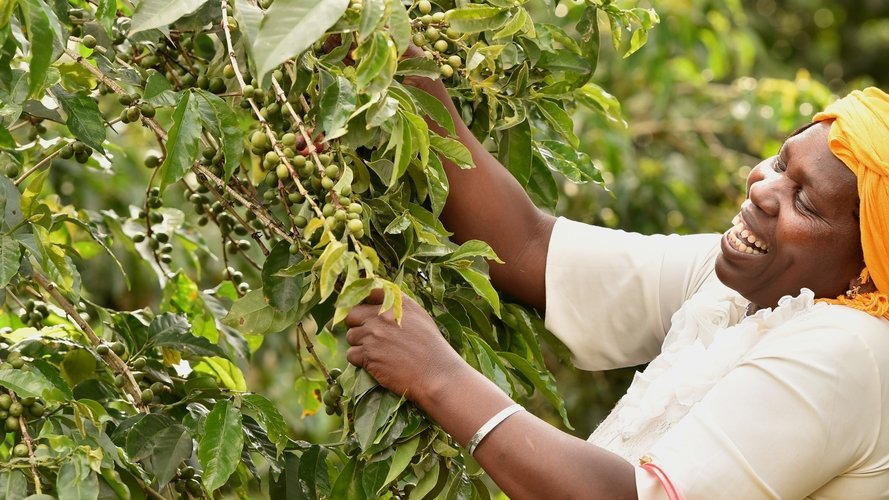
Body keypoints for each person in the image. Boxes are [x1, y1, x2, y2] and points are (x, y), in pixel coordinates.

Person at [344, 71, 889, 498]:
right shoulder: (746, 282)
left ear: (868, 266)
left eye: (807, 203)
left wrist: (436, 374)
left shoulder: (850, 352)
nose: (764, 189)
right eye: (779, 163)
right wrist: (405, 71)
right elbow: (529, 247)